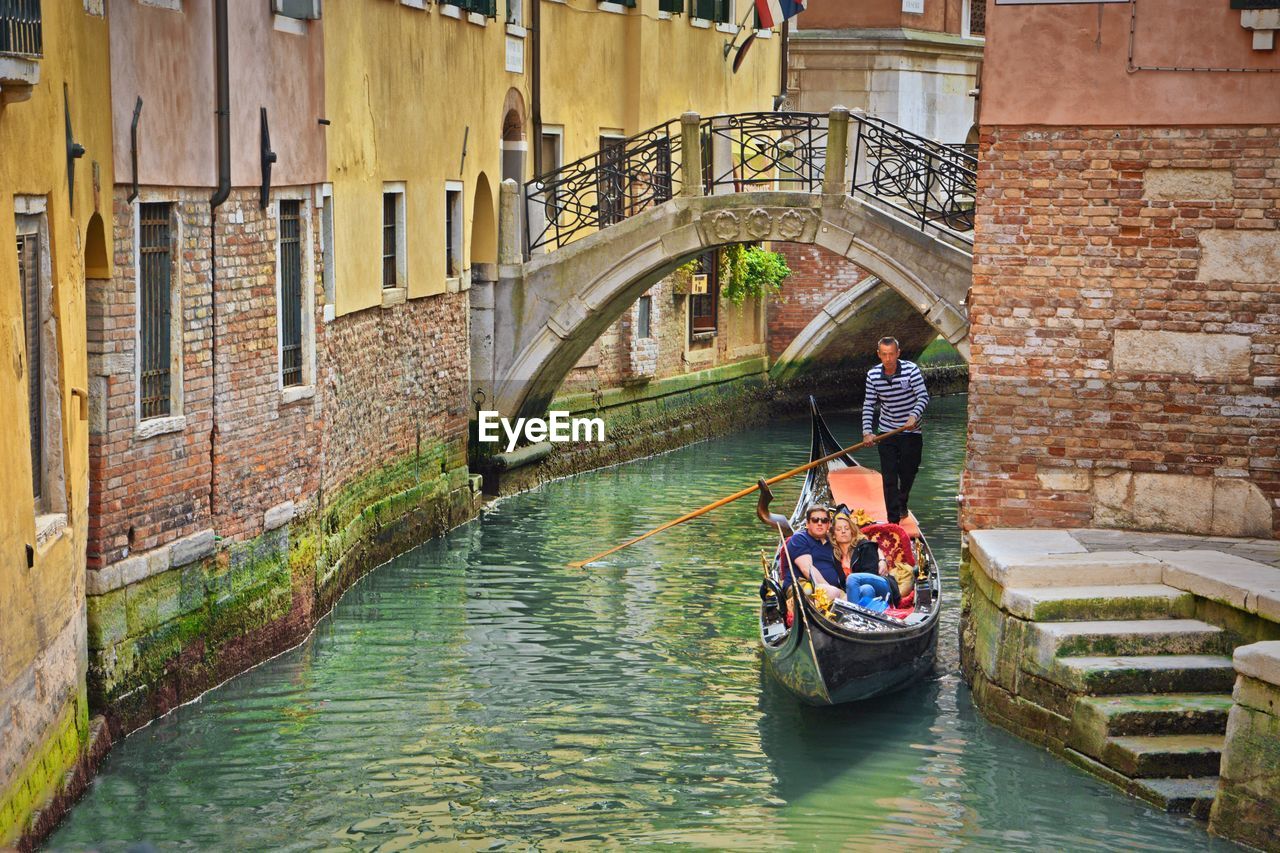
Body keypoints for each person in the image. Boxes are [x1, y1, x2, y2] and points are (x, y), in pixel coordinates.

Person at [862, 336, 930, 525]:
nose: (888, 359)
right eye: (884, 355)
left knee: (908, 472)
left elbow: (923, 397)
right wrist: (867, 431)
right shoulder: (873, 375)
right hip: (886, 432)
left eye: (891, 354)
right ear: (879, 355)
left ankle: (902, 501)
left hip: (912, 431)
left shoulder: (911, 370)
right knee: (890, 476)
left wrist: (913, 416)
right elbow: (868, 403)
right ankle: (893, 521)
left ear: (898, 353)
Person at [780, 504, 846, 602]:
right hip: (803, 585)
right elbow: (807, 569)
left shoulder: (833, 542)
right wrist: (831, 590)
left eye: (824, 521)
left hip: (834, 590)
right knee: (831, 593)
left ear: (829, 524)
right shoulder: (799, 538)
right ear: (807, 523)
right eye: (815, 520)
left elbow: (857, 540)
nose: (820, 523)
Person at [830, 512, 893, 606]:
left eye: (847, 528)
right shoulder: (835, 556)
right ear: (834, 535)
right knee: (866, 589)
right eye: (839, 529)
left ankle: (852, 615)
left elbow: (871, 574)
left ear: (852, 531)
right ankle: (864, 616)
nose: (843, 531)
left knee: (852, 578)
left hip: (881, 584)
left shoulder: (865, 547)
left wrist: (882, 560)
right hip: (863, 590)